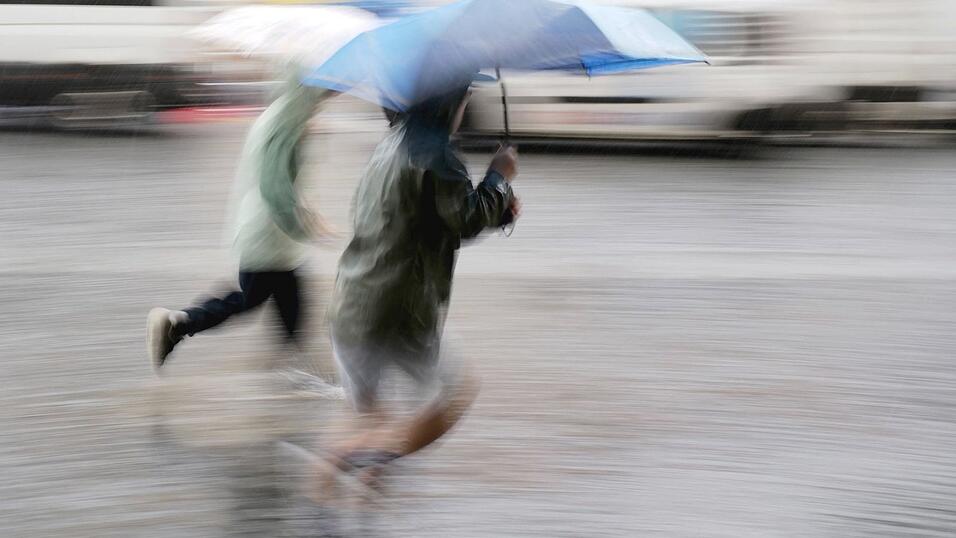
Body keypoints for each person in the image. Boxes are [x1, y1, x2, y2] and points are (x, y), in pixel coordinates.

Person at [318, 82, 520, 485]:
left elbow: (426, 215)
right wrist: (499, 177)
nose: (464, 107)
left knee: (370, 418)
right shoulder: (434, 152)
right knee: (458, 391)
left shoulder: (387, 147)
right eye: (463, 98)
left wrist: (500, 210)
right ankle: (350, 460)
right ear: (446, 101)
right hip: (396, 312)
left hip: (351, 307)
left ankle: (329, 498)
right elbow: (464, 217)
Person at [147, 68, 337, 370]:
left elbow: (286, 180)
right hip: (270, 234)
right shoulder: (287, 122)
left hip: (272, 236)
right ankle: (177, 324)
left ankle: (294, 372)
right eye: (329, 86)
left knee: (288, 303)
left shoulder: (287, 114)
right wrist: (305, 224)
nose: (334, 92)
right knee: (252, 299)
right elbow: (275, 187)